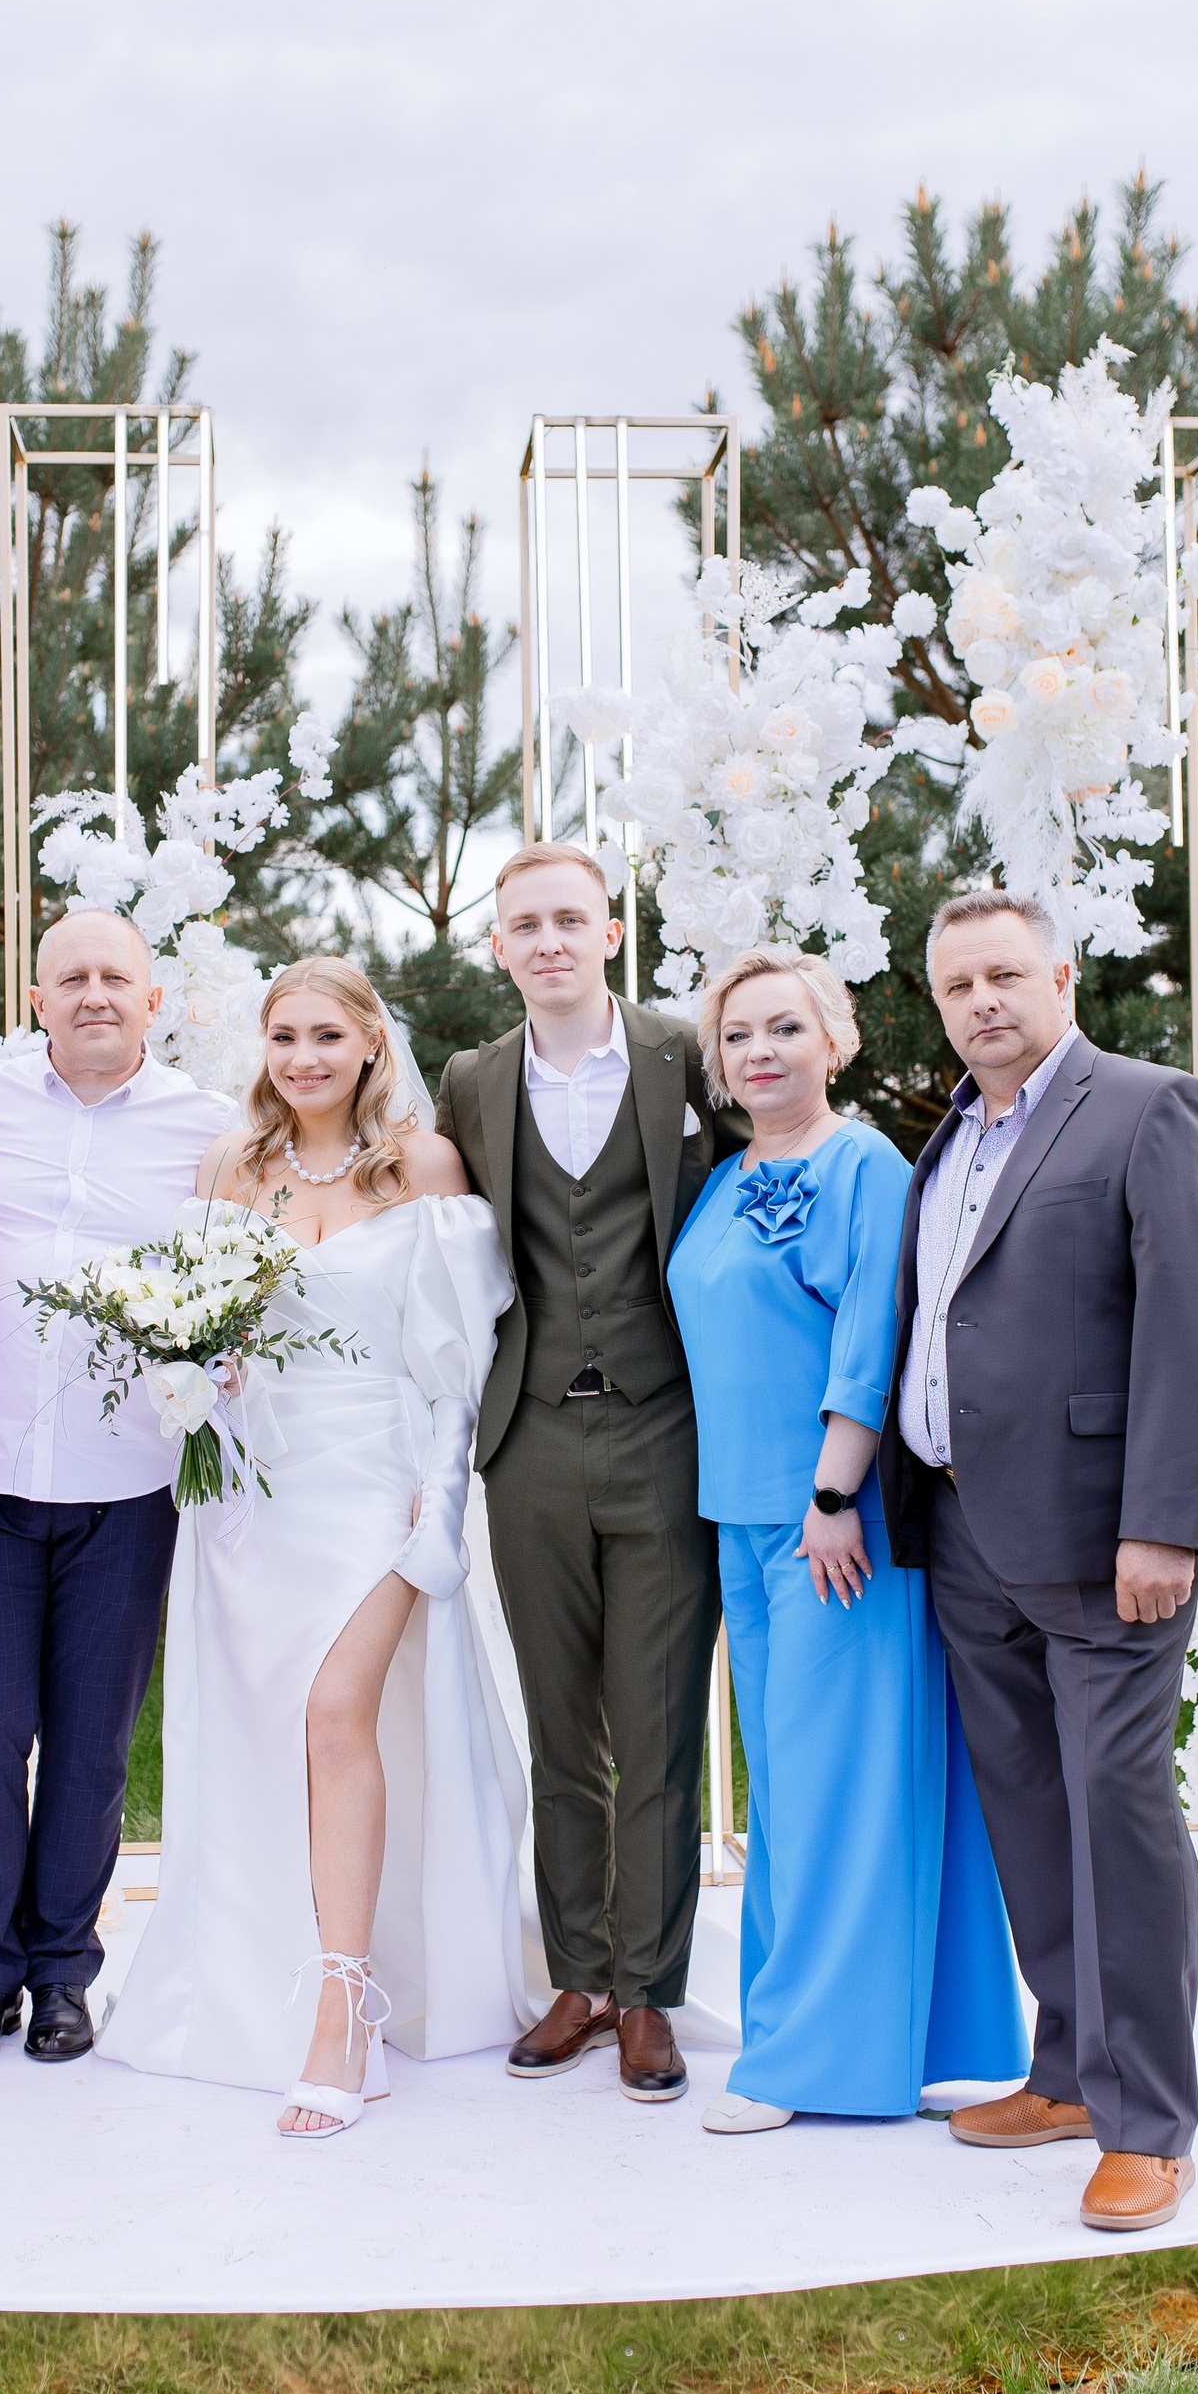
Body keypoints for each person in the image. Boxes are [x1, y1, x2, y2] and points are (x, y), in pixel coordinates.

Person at [98, 957, 527, 2133]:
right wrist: (201, 1376)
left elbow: (456, 1366)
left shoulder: (423, 1168)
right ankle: (253, 1975)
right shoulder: (229, 1170)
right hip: (251, 1497)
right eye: (284, 1036)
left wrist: (439, 1504)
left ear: (371, 1043)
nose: (303, 1058)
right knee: (261, 1734)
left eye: (327, 1036)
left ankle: (344, 2008)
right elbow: (191, 1338)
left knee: (339, 1712)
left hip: (378, 1485)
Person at [879, 889, 1198, 2234]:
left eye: (1003, 975)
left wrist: (1164, 1520)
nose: (981, 1001)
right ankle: (1067, 2074)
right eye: (956, 985)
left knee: (1118, 1810)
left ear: (1061, 978)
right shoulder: (948, 1140)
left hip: (1106, 1540)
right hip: (965, 1529)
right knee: (1030, 1813)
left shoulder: (1149, 1108)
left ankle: (1148, 2122)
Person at [666, 946, 1026, 2134]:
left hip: (833, 1521)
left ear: (835, 1039)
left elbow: (873, 1335)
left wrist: (832, 1497)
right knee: (791, 1791)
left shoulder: (865, 1163)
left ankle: (806, 2064)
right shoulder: (725, 1179)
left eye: (784, 1027)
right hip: (743, 1516)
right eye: (736, 1035)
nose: (759, 1051)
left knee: (837, 1791)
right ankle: (824, 2036)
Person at [433, 842, 745, 2106]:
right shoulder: (471, 1081)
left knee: (658, 1725)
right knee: (560, 1726)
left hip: (668, 1428)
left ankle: (651, 1988)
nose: (549, 939)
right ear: (499, 946)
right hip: (529, 1438)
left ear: (611, 933)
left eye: (571, 917)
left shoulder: (687, 1058)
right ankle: (579, 1974)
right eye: (526, 923)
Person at [0, 911, 237, 2071]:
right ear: (37, 999)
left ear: (155, 1000)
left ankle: (62, 1974)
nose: (94, 993)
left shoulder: (208, 1126)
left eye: (116, 976)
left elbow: (248, 1267)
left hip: (129, 1481)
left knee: (94, 1745)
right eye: (72, 977)